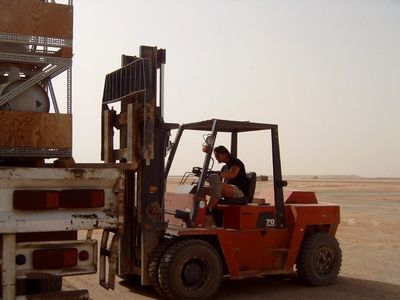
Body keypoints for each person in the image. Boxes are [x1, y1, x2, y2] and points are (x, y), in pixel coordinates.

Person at [205, 145, 249, 218]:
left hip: (239, 191)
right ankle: (198, 209)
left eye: (218, 156)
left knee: (217, 187)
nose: (216, 158)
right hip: (229, 190)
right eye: (215, 156)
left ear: (225, 154)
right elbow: (217, 181)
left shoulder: (235, 162)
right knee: (201, 189)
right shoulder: (224, 167)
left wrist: (218, 173)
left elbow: (232, 175)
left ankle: (208, 209)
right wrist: (206, 177)